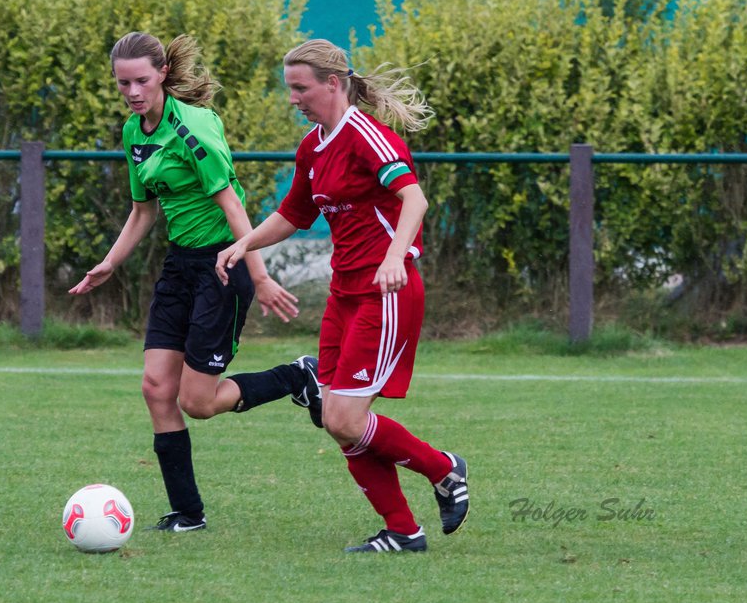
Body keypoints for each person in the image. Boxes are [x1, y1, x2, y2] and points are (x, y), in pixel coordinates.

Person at [215, 38, 469, 553]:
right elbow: (293, 214)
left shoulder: (365, 136)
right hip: (344, 295)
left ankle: (444, 469)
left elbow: (414, 199)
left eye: (300, 88)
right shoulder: (313, 145)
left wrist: (396, 256)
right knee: (337, 422)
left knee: (344, 418)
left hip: (385, 292)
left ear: (333, 84)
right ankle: (403, 531)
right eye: (290, 88)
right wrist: (244, 243)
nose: (293, 98)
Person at [69, 31, 322, 532]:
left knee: (198, 402)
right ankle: (188, 512)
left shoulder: (194, 128)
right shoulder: (134, 132)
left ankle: (299, 376)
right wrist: (110, 263)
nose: (133, 91)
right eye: (123, 83)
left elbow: (233, 207)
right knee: (155, 387)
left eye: (141, 80)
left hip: (222, 266)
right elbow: (143, 210)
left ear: (162, 73)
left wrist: (260, 275)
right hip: (180, 266)